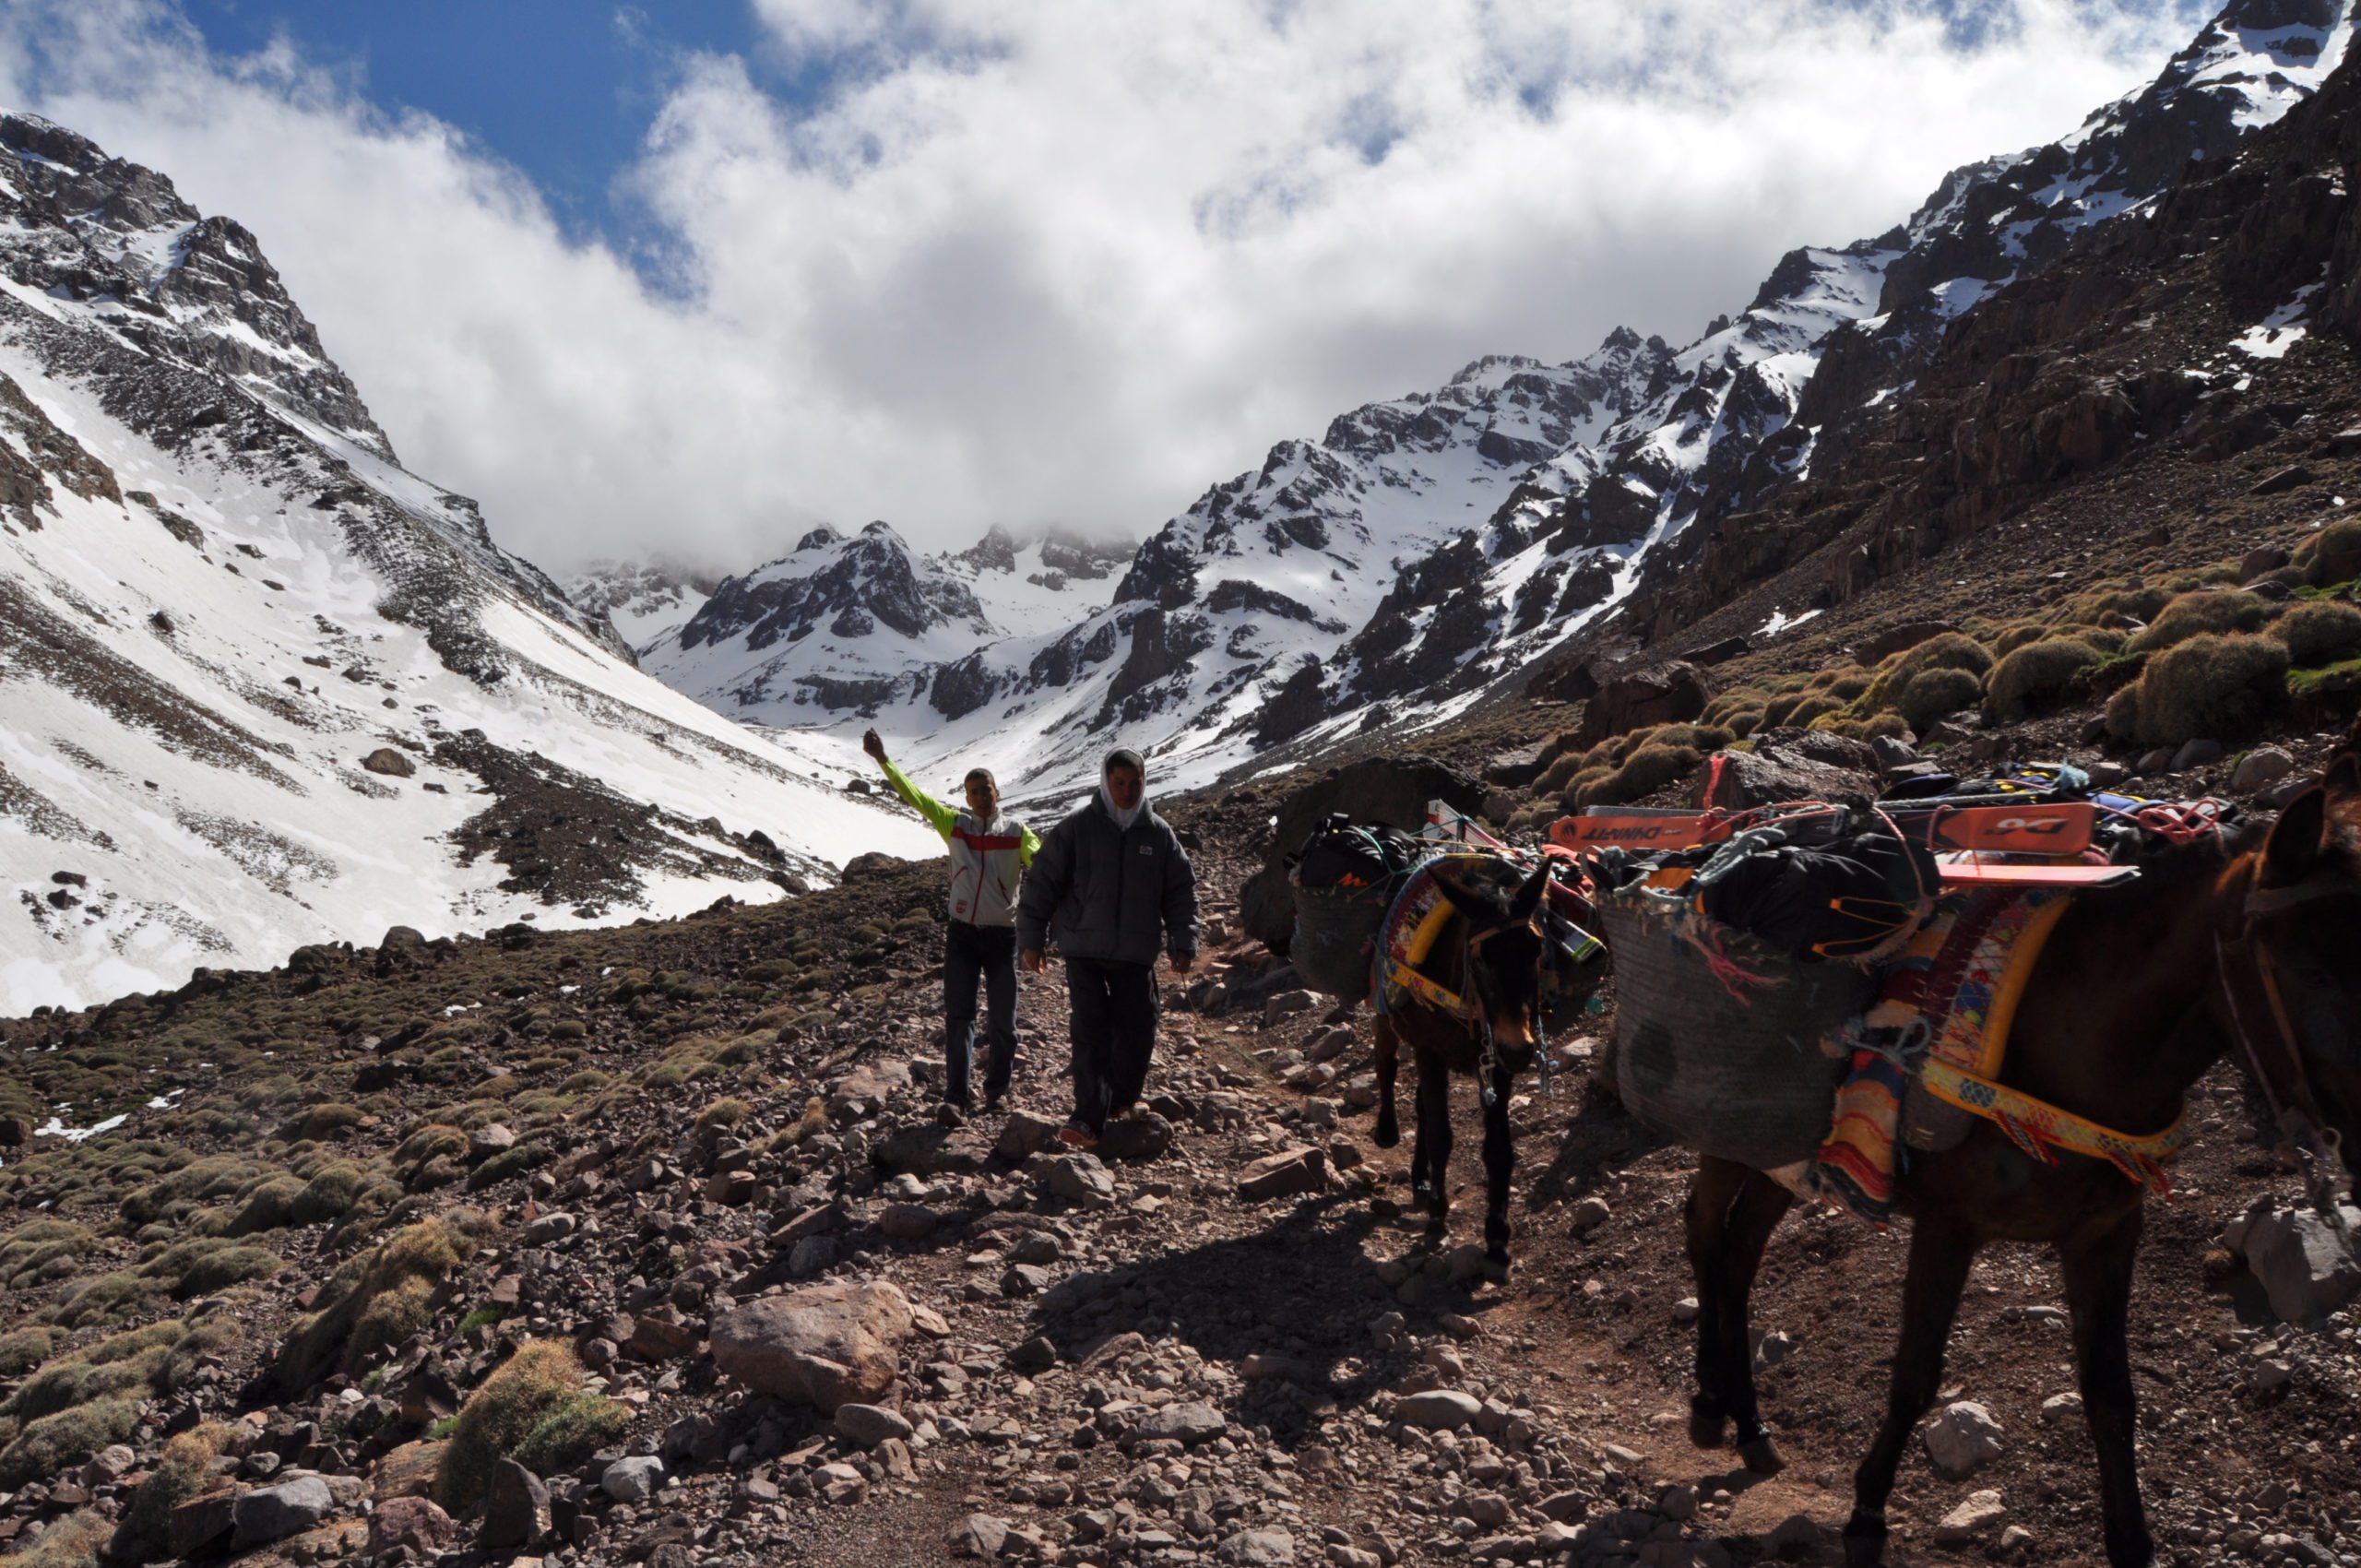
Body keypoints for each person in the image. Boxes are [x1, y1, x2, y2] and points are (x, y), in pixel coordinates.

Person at [1015, 746, 1199, 1148]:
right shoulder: (1078, 827)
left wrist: (1183, 940)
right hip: (1084, 949)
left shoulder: (1158, 834)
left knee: (1139, 1028)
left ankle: (1120, 1099)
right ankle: (1087, 1118)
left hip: (1135, 953)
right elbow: (1043, 881)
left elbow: (1180, 891)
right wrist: (1032, 939)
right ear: (1105, 780)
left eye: (1135, 784)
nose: (1127, 791)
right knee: (1091, 1031)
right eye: (1119, 783)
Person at [863, 728, 1039, 1114]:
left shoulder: (1016, 833)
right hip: (961, 935)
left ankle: (997, 1091)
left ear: (998, 792)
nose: (980, 796)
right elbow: (915, 796)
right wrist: (883, 760)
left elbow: (1045, 868)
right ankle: (957, 1096)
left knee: (1003, 1023)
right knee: (959, 1018)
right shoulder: (953, 825)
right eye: (973, 790)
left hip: (1002, 937)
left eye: (986, 788)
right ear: (966, 797)